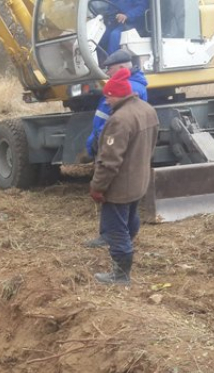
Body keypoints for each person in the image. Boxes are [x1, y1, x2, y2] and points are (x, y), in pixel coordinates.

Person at [89, 68, 159, 284]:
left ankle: (120, 275)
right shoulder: (147, 110)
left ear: (115, 94)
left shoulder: (119, 120)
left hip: (120, 186)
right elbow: (153, 144)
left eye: (108, 97)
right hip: (139, 180)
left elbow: (109, 161)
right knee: (130, 218)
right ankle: (126, 249)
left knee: (115, 227)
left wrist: (97, 187)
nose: (106, 101)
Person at [83, 49, 148, 248]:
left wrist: (99, 141)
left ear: (121, 68)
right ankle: (116, 236)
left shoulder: (127, 88)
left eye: (110, 69)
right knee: (124, 203)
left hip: (112, 144)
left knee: (116, 201)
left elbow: (113, 126)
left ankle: (118, 245)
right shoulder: (130, 87)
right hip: (111, 143)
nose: (108, 73)